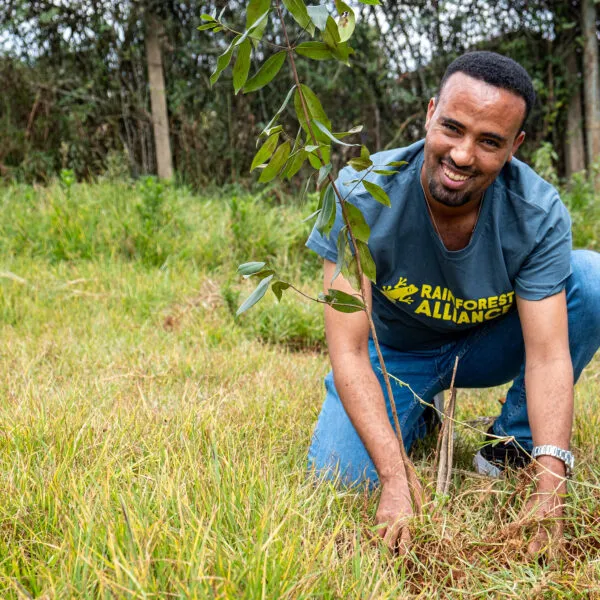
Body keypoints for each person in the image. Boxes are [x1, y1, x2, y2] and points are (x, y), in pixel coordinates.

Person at [305, 51, 600, 552]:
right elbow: (349, 351)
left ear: (515, 146)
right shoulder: (360, 193)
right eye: (452, 128)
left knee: (591, 280)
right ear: (429, 114)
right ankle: (419, 414)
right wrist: (395, 477)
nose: (463, 156)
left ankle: (511, 446)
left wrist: (552, 484)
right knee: (339, 476)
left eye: (489, 142)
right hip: (393, 357)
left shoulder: (537, 212)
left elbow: (549, 355)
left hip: (485, 345)